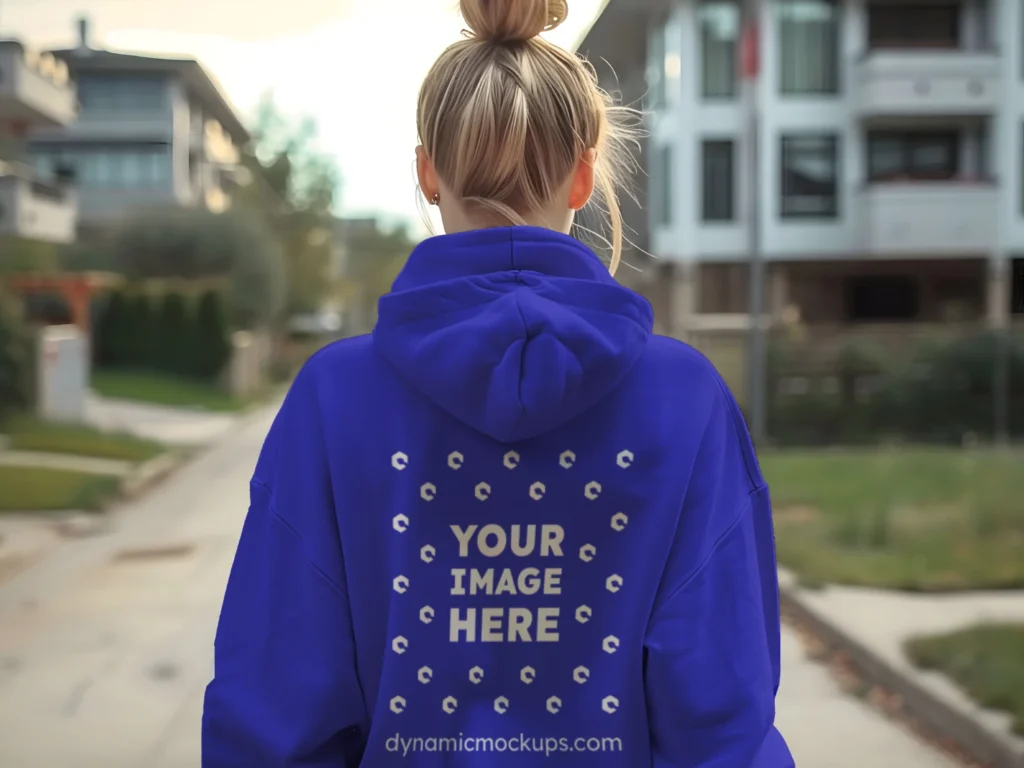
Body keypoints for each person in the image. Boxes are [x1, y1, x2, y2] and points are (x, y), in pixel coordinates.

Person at [201, 0, 794, 765]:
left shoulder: (332, 399)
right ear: (585, 175)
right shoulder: (687, 400)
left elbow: (272, 712)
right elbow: (723, 724)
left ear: (427, 173)